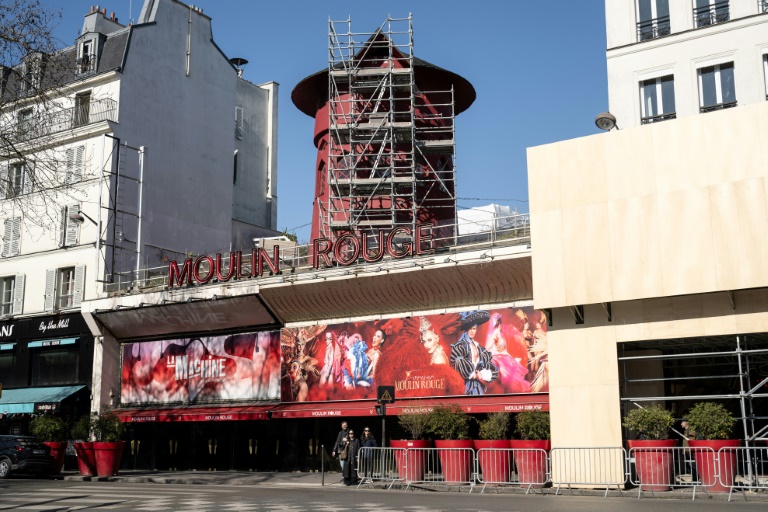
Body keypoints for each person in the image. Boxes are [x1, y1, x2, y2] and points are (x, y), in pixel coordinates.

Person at [450, 310, 499, 395]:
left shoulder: (480, 349)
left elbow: (492, 370)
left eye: (474, 328)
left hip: (477, 388)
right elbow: (457, 364)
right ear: (466, 330)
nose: (472, 331)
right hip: (463, 387)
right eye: (470, 329)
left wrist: (481, 374)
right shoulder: (459, 346)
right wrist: (473, 375)